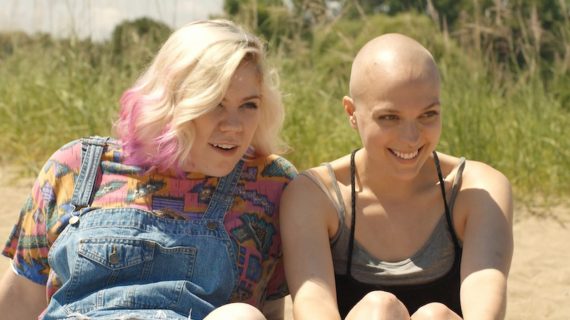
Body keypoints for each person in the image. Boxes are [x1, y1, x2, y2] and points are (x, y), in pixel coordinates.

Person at [0, 19, 296, 320]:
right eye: (215, 103)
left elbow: (270, 309)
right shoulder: (76, 167)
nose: (234, 126)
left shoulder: (269, 184)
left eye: (249, 105)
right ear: (171, 101)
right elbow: (21, 298)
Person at [280, 33, 513, 320]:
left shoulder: (477, 189)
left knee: (435, 317)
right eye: (390, 117)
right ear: (351, 113)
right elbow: (312, 302)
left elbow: (485, 292)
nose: (411, 137)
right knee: (379, 310)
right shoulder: (315, 196)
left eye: (428, 114)